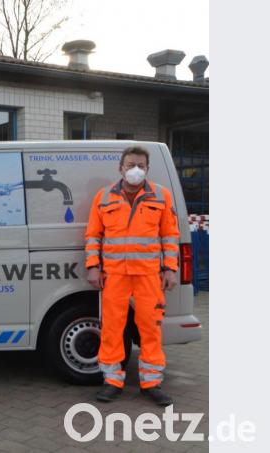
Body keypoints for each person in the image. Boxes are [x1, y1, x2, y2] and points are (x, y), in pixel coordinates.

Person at [84, 146, 180, 406]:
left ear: (147, 169)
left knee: (151, 329)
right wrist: (93, 265)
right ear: (120, 168)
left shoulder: (161, 196)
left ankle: (151, 383)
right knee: (112, 328)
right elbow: (94, 235)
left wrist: (170, 268)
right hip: (114, 275)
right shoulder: (103, 198)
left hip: (149, 275)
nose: (135, 169)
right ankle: (112, 381)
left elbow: (170, 235)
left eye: (140, 165)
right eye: (130, 164)